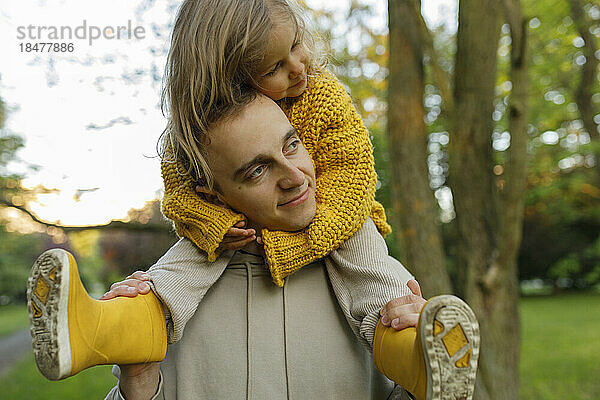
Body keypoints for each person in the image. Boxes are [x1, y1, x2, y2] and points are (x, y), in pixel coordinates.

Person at [26, 0, 479, 399]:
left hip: (341, 219)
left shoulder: (322, 97)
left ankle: (416, 358)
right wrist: (212, 227)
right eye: (256, 169)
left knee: (378, 287)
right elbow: (183, 198)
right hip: (226, 235)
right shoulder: (197, 147)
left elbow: (353, 176)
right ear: (235, 79)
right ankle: (100, 330)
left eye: (293, 143)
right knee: (174, 278)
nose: (294, 177)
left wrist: (300, 243)